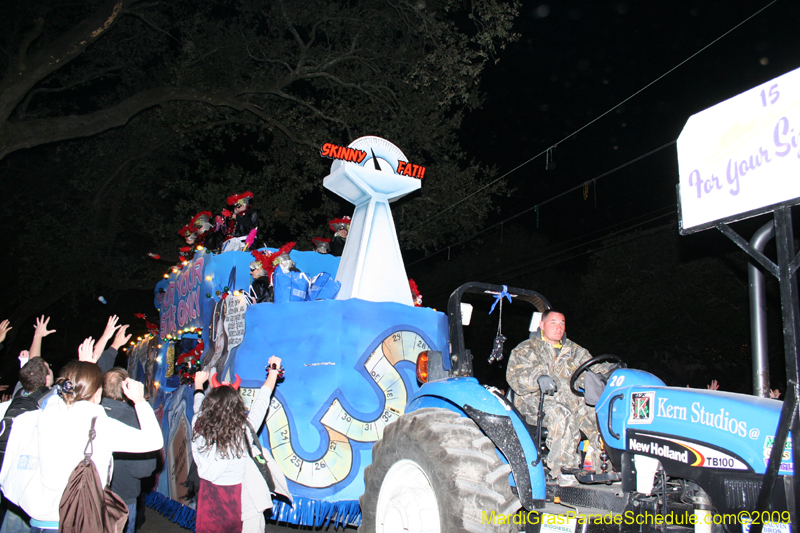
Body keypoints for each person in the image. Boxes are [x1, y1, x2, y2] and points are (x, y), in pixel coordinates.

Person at [12, 338, 163, 531]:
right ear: (98, 392)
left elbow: (58, 390)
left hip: (40, 519)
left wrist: (85, 367)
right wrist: (140, 400)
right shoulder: (97, 422)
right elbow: (153, 441)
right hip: (77, 519)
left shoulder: (48, 410)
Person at [506, 309, 609, 487]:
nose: (558, 327)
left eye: (562, 323)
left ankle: (603, 468)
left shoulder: (576, 351)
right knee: (562, 414)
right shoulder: (526, 349)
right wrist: (537, 378)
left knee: (600, 415)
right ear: (542, 325)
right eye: (553, 322)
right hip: (535, 402)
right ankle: (564, 470)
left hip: (572, 400)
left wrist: (611, 371)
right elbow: (515, 377)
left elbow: (592, 371)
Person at [191, 358, 291, 533]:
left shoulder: (198, 425)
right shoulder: (244, 429)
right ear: (237, 404)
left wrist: (199, 385)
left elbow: (198, 406)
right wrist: (273, 370)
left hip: (210, 501)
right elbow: (263, 398)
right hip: (244, 502)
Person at [101, 368, 158, 533]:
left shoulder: (91, 412)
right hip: (122, 500)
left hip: (91, 495)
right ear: (127, 389)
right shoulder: (132, 418)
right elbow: (143, 469)